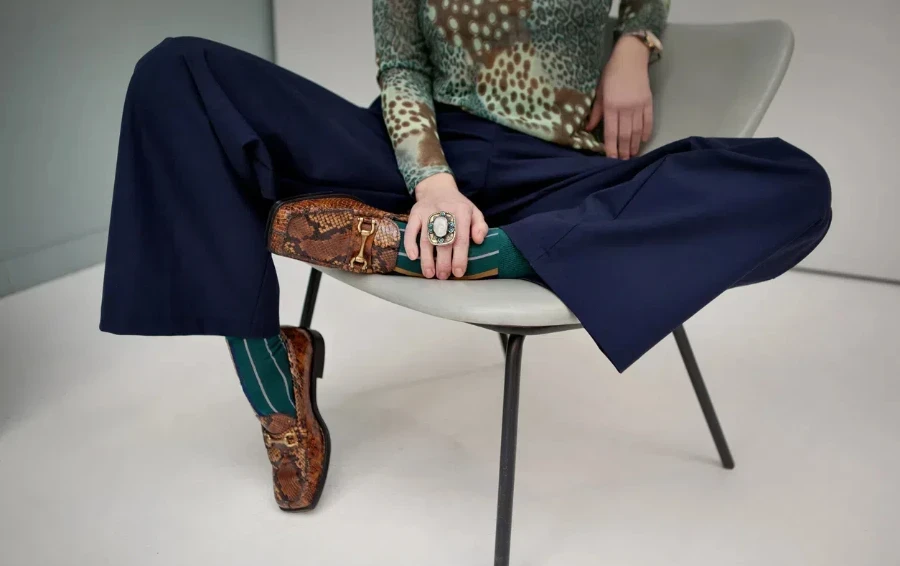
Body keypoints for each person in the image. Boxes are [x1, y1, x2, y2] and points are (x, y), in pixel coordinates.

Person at [99, 0, 832, 511]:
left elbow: (644, 2)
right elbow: (401, 67)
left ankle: (489, 255)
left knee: (796, 185)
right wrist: (432, 184)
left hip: (560, 174)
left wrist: (636, 44)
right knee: (176, 72)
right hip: (410, 157)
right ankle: (274, 393)